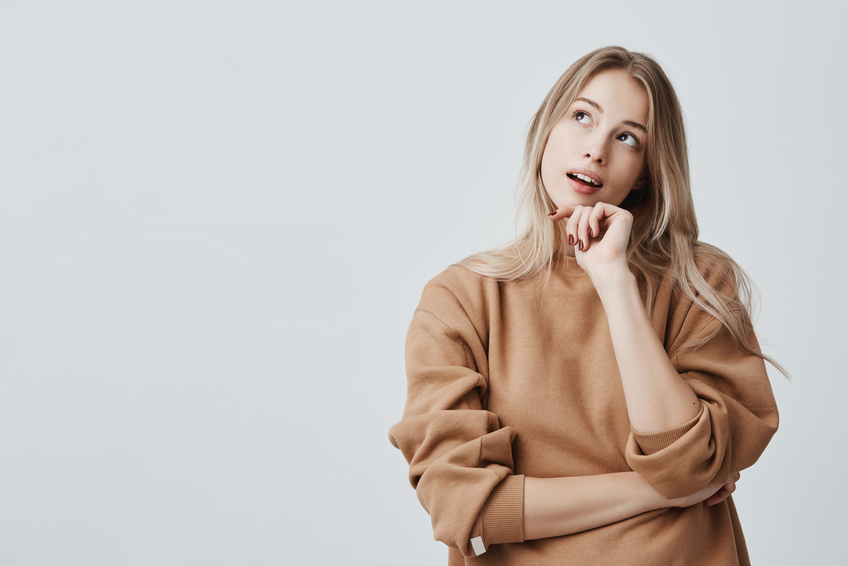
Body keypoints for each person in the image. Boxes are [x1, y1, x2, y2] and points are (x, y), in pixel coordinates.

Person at [388, 46, 780, 565]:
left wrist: (614, 280)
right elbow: (467, 511)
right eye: (581, 117)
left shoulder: (699, 283)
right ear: (546, 130)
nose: (596, 150)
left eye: (627, 137)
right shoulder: (461, 299)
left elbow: (689, 464)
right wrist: (660, 492)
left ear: (645, 172)